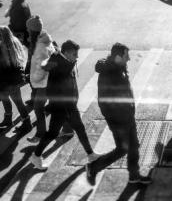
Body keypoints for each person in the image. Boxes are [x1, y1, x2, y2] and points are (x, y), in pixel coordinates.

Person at [85, 43, 151, 185]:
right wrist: (117, 118)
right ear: (118, 57)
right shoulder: (108, 73)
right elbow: (105, 101)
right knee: (122, 149)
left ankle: (134, 176)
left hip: (127, 115)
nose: (129, 58)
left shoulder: (119, 67)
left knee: (133, 146)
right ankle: (94, 167)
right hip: (118, 119)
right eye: (126, 56)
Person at [29, 40, 100, 170]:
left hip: (68, 104)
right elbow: (53, 84)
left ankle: (90, 154)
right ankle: (36, 155)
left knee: (79, 128)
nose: (77, 57)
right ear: (66, 53)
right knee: (53, 133)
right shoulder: (58, 63)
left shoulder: (65, 61)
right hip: (61, 106)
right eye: (74, 54)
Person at [25, 15, 53, 143]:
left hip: (43, 83)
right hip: (43, 82)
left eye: (28, 28)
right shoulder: (42, 39)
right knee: (53, 108)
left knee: (38, 108)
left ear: (32, 30)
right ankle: (67, 129)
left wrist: (33, 79)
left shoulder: (40, 46)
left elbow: (42, 67)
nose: (26, 30)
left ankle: (41, 134)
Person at [0, 26, 32, 131]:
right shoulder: (15, 42)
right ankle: (25, 121)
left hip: (4, 79)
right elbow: (20, 59)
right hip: (15, 77)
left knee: (5, 98)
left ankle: (13, 120)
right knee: (17, 101)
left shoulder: (1, 46)